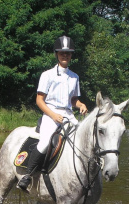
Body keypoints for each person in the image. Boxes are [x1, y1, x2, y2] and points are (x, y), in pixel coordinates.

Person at [17, 35, 88, 192]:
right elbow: (39, 100)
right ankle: (27, 175)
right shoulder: (47, 75)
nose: (65, 55)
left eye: (68, 53)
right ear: (57, 54)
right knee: (45, 142)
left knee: (85, 137)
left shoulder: (74, 77)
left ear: (71, 55)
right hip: (50, 114)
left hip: (68, 115)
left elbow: (73, 100)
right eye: (62, 53)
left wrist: (81, 104)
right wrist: (52, 115)